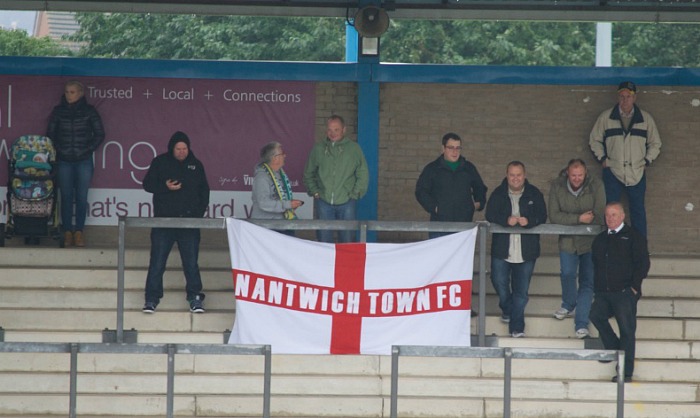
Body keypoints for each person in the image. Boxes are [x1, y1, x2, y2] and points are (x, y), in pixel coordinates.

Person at [141, 131, 210, 314]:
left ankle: (195, 298)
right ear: (172, 148)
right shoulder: (160, 162)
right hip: (164, 221)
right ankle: (151, 299)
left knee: (191, 263)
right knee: (157, 261)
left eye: (184, 148)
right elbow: (147, 184)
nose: (181, 152)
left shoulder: (196, 165)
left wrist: (197, 215)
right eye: (178, 149)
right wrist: (165, 187)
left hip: (188, 222)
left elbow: (204, 192)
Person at [589, 81, 662, 237]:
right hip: (612, 172)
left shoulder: (646, 119)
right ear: (618, 97)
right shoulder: (606, 117)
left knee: (638, 212)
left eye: (628, 96)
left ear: (634, 97)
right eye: (622, 96)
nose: (625, 100)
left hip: (637, 172)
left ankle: (639, 250)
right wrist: (603, 159)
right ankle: (611, 246)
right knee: (610, 211)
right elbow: (594, 140)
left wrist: (647, 161)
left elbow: (656, 143)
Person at [590, 202, 650, 382]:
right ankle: (614, 348)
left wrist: (633, 287)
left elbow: (643, 264)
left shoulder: (634, 237)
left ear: (623, 216)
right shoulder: (600, 239)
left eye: (614, 215)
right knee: (595, 315)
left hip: (625, 292)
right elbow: (596, 264)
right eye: (608, 215)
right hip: (603, 292)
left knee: (627, 331)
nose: (610, 218)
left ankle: (625, 372)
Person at [486, 161, 547, 338]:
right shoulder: (498, 193)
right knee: (498, 281)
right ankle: (507, 308)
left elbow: (542, 215)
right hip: (502, 250)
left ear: (524, 175)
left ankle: (517, 327)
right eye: (512, 175)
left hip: (526, 251)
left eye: (518, 175)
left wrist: (529, 221)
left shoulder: (534, 193)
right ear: (507, 175)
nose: (515, 178)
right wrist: (506, 220)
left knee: (521, 292)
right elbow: (489, 214)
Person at [548, 159, 606, 339]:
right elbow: (554, 216)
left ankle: (581, 324)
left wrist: (574, 218)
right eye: (573, 175)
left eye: (580, 175)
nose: (577, 178)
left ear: (585, 173)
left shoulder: (596, 184)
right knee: (567, 273)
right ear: (567, 172)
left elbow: (599, 213)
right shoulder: (557, 186)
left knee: (588, 282)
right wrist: (579, 219)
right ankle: (568, 303)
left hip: (590, 243)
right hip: (567, 241)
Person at [47, 80, 105, 247]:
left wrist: (88, 150)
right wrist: (59, 150)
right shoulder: (58, 111)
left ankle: (79, 231)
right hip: (64, 160)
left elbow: (100, 134)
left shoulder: (89, 111)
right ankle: (67, 232)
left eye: (72, 92)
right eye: (66, 92)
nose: (69, 95)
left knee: (81, 197)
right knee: (65, 197)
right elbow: (50, 134)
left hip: (84, 161)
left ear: (80, 93)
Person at [303, 115, 369, 243]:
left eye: (336, 130)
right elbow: (308, 173)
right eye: (329, 130)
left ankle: (347, 263)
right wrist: (315, 192)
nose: (332, 133)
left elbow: (363, 173)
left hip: (347, 202)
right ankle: (323, 263)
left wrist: (355, 194)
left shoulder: (354, 149)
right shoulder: (318, 148)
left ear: (344, 130)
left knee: (347, 240)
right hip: (323, 201)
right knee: (323, 239)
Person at [415, 132, 487, 239]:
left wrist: (475, 205)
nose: (455, 151)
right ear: (443, 149)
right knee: (439, 256)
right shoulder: (433, 169)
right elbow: (421, 191)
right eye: (451, 148)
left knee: (463, 256)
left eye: (458, 148)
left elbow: (480, 188)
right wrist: (435, 208)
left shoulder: (468, 168)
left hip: (464, 227)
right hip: (439, 227)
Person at [251, 141, 304, 235]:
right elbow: (264, 203)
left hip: (283, 223)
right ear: (274, 158)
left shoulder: (280, 174)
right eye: (282, 153)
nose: (285, 155)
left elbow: (280, 198)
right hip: (267, 227)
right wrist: (287, 205)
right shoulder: (262, 177)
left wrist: (291, 205)